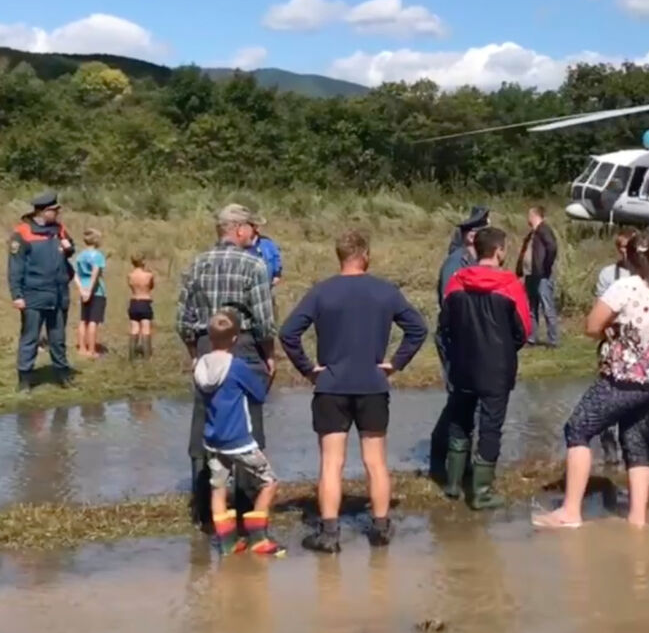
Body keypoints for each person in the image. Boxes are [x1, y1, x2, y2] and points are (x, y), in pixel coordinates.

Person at [280, 230, 427, 553]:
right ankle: (381, 527)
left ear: (339, 255)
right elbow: (418, 328)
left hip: (331, 385)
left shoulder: (321, 292)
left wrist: (307, 369)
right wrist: (395, 363)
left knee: (331, 462)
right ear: (366, 255)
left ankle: (330, 534)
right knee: (375, 461)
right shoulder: (385, 291)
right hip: (373, 384)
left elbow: (289, 333)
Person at [533, 231, 649, 529]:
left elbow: (591, 326)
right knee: (637, 443)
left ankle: (570, 511)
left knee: (578, 428)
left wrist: (609, 331)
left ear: (627, 256)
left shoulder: (623, 287)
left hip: (623, 378)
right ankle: (637, 518)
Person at [177, 203, 276, 528]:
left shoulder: (197, 264)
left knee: (205, 420)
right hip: (244, 344)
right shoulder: (254, 264)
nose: (255, 233)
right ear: (239, 229)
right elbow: (263, 319)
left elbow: (183, 318)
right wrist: (269, 354)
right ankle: (248, 508)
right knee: (249, 422)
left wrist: (195, 350)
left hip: (206, 343)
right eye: (252, 227)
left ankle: (204, 510)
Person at [439, 227, 531, 509]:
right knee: (490, 427)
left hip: (463, 365)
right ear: (500, 251)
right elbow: (523, 330)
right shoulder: (510, 285)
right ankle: (481, 493)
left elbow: (446, 327)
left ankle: (453, 485)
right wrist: (505, 348)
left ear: (476, 249)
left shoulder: (456, 282)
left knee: (459, 422)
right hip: (497, 368)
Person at [194, 309, 282, 557]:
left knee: (219, 488)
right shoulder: (238, 366)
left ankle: (227, 543)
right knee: (270, 482)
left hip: (213, 440)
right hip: (239, 440)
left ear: (209, 337)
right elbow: (259, 395)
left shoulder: (200, 366)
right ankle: (258, 537)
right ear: (234, 339)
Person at [429, 206, 489, 484]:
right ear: (471, 235)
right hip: (456, 341)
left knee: (468, 398)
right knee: (461, 397)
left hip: (472, 341)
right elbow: (450, 306)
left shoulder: (475, 261)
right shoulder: (456, 263)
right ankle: (443, 455)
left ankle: (458, 457)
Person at [9, 191, 75, 393]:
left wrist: (69, 248)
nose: (58, 213)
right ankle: (25, 379)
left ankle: (62, 374)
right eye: (54, 210)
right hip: (34, 293)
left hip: (58, 293)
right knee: (30, 338)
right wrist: (17, 295)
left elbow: (71, 247)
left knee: (58, 338)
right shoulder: (22, 233)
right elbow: (15, 267)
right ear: (43, 211)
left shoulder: (59, 229)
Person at [593, 227, 639, 465]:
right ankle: (609, 450)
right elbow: (600, 305)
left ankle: (633, 449)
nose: (625, 252)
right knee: (607, 394)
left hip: (639, 346)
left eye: (629, 247)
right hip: (611, 342)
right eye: (621, 247)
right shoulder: (607, 274)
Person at [515, 205, 559, 347]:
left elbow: (552, 247)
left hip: (541, 275)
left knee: (547, 307)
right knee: (531, 307)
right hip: (531, 274)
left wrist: (545, 266)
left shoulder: (544, 230)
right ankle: (532, 337)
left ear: (535, 216)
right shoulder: (532, 233)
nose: (527, 218)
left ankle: (553, 340)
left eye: (529, 215)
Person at [74, 228, 107, 359]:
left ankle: (82, 348)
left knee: (83, 320)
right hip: (97, 291)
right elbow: (95, 273)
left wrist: (82, 289)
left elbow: (75, 274)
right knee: (93, 321)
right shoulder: (98, 255)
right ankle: (91, 350)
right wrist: (90, 290)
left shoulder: (80, 256)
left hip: (83, 288)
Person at [594, 227, 639, 298]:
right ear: (619, 248)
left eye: (632, 247)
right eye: (625, 247)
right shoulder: (607, 274)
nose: (629, 250)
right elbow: (600, 303)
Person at [127, 251, 155, 360]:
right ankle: (147, 356)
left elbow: (131, 286)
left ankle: (132, 356)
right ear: (143, 261)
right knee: (146, 329)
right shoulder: (148, 275)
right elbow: (151, 286)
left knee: (134, 329)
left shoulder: (130, 275)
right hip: (145, 302)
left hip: (134, 302)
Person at [249, 217, 283, 288]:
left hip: (267, 285)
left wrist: (277, 274)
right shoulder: (241, 244)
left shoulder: (267, 242)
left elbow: (276, 258)